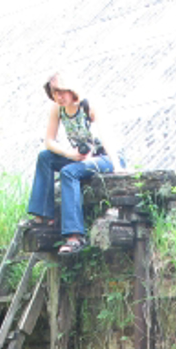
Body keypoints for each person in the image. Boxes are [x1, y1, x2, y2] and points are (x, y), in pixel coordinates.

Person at [26, 72, 123, 256]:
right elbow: (49, 141)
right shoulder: (57, 109)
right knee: (45, 157)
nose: (59, 97)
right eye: (55, 93)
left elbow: (106, 136)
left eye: (62, 92)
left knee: (69, 172)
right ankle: (42, 217)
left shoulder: (88, 106)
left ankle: (74, 236)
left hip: (105, 157)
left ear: (71, 90)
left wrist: (117, 165)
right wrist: (69, 153)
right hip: (81, 156)